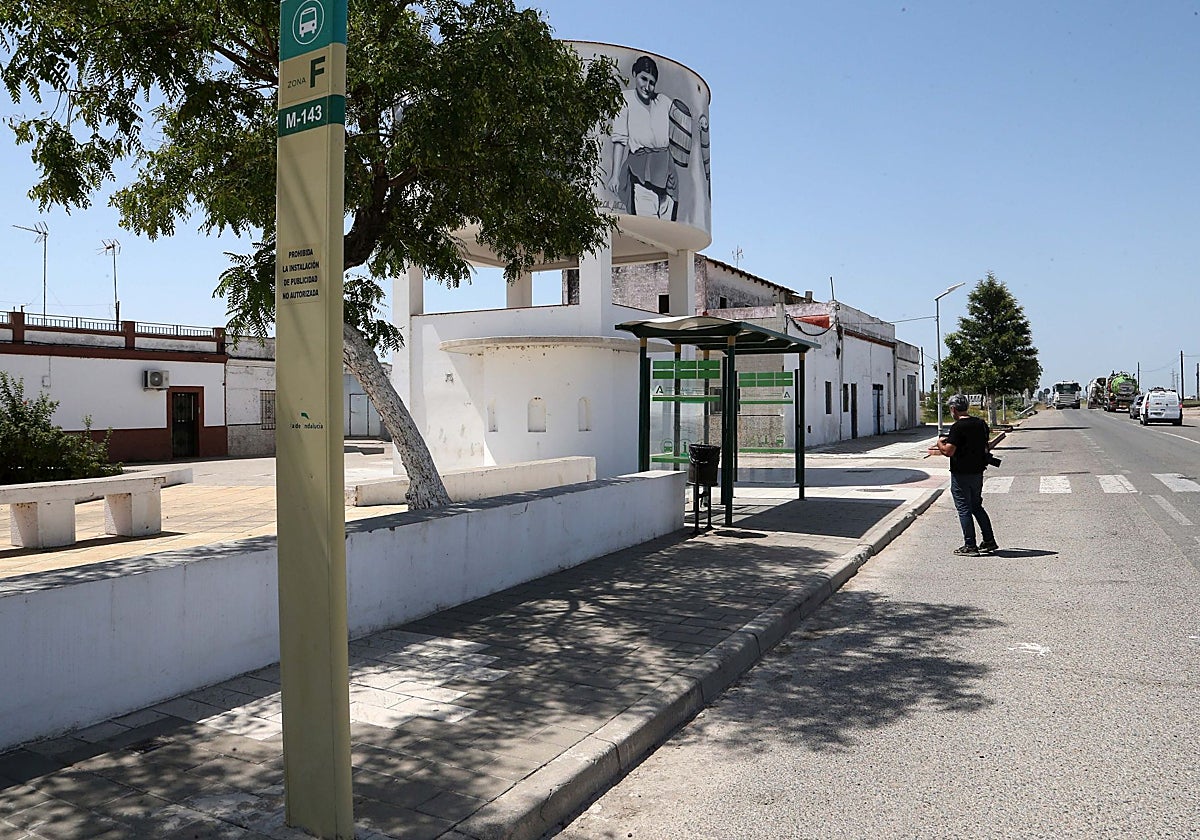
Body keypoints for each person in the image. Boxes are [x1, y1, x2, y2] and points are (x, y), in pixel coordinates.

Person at [607, 55, 679, 219]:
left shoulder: (663, 101)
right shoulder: (625, 99)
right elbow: (620, 140)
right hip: (642, 171)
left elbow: (680, 132)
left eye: (651, 82)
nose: (647, 86)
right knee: (648, 223)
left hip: (666, 173)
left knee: (665, 231)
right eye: (643, 79)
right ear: (635, 75)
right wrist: (615, 175)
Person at [928, 394, 998, 556]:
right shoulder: (980, 424)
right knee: (976, 506)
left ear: (953, 409)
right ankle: (989, 540)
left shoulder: (957, 427)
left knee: (964, 508)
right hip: (977, 472)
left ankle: (970, 545)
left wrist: (940, 442)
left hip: (961, 474)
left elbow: (949, 451)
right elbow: (987, 446)